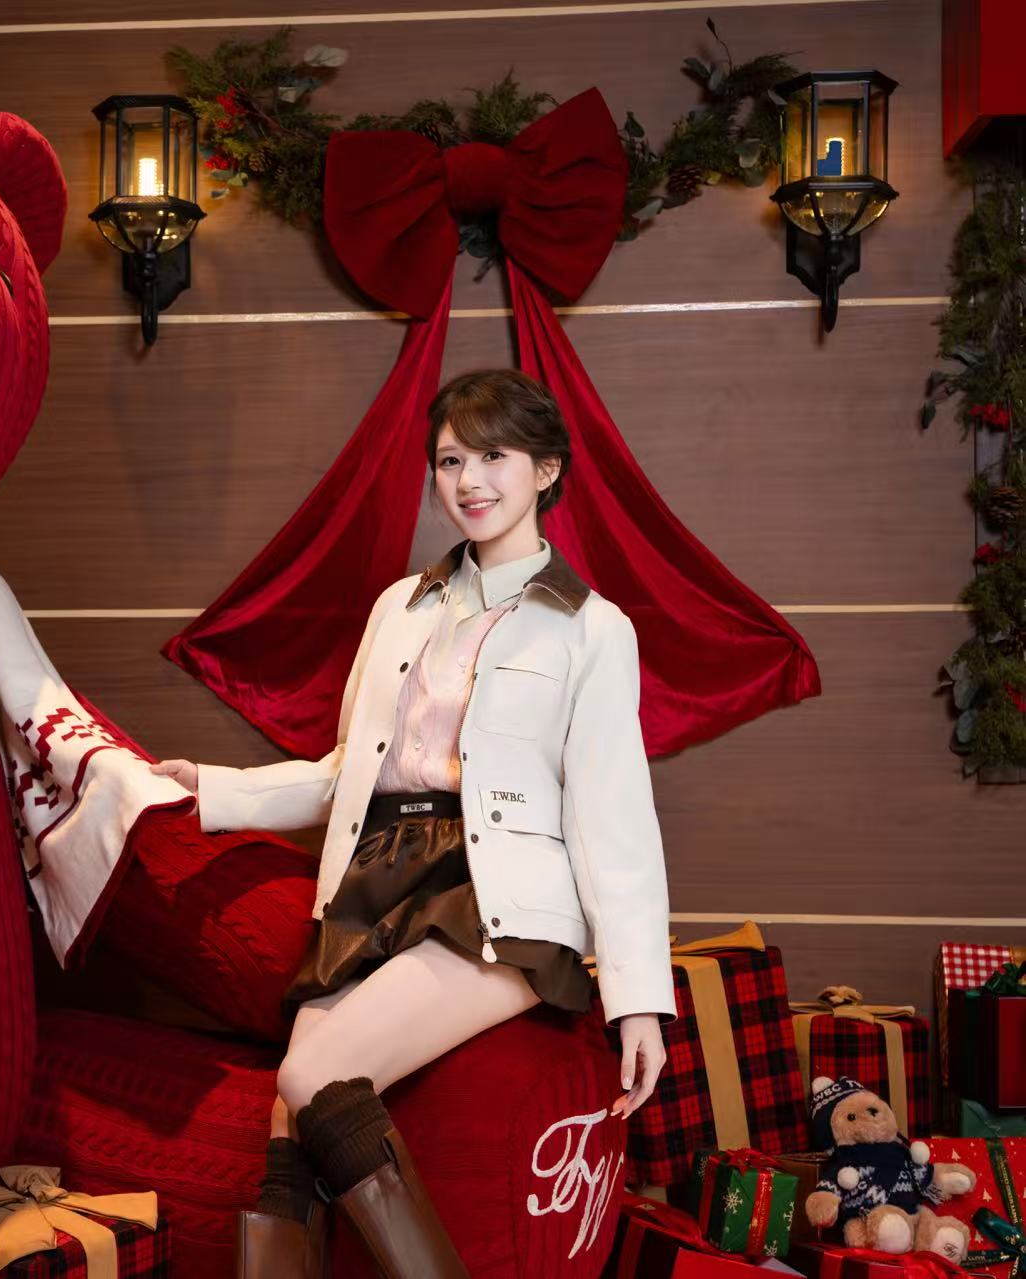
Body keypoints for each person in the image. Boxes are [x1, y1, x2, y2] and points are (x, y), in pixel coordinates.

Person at [152, 369, 676, 1279]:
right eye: (449, 460)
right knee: (286, 1120)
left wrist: (638, 1000)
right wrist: (213, 791)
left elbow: (614, 818)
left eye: (494, 455)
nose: (469, 480)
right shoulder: (399, 608)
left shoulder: (594, 630)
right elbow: (345, 771)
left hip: (494, 895)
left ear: (547, 468)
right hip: (375, 878)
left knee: (309, 1078)